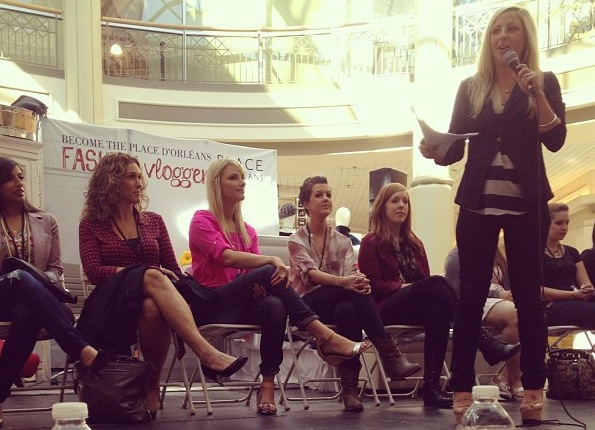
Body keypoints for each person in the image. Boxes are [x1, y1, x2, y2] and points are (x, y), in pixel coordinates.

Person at [419, 5, 566, 425]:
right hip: (477, 204)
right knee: (469, 298)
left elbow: (556, 139)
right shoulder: (471, 87)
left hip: (527, 205)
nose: (502, 36)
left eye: (511, 29)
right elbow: (454, 148)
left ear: (525, 37)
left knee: (529, 298)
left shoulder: (544, 82)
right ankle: (462, 388)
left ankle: (533, 388)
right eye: (496, 30)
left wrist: (535, 92)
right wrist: (435, 150)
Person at [188, 159, 370, 416]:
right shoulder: (202, 220)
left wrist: (262, 286)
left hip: (241, 306)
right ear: (216, 183)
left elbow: (250, 276)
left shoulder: (248, 231)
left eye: (242, 177)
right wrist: (271, 261)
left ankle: (267, 386)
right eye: (233, 177)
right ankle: (324, 336)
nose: (242, 182)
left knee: (275, 304)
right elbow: (225, 257)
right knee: (270, 269)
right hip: (210, 303)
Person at [77, 153, 247, 418]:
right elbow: (94, 272)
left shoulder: (153, 221)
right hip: (111, 302)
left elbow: (174, 270)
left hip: (150, 300)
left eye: (139, 176)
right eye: (131, 177)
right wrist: (139, 273)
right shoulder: (91, 225)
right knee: (152, 275)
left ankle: (151, 387)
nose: (139, 183)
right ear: (111, 182)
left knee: (153, 307)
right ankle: (205, 352)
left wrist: (155, 276)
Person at [288, 176, 422, 412]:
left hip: (340, 303)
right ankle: (390, 356)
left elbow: (352, 274)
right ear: (306, 204)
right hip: (308, 308)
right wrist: (346, 282)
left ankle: (349, 389)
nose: (326, 199)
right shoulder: (296, 240)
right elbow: (311, 276)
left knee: (347, 308)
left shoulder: (343, 241)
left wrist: (357, 283)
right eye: (319, 195)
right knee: (350, 291)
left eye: (328, 194)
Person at [0, 157, 108, 427]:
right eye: (11, 178)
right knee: (20, 276)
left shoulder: (46, 221)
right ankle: (79, 347)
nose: (19, 183)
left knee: (27, 314)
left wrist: (43, 282)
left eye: (21, 176)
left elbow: (55, 268)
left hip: (32, 300)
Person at [445, 246, 523, 401]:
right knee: (514, 314)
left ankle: (504, 377)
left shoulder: (497, 254)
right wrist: (497, 294)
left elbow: (508, 285)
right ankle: (516, 379)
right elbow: (456, 291)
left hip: (503, 299)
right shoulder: (456, 256)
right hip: (477, 301)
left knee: (527, 314)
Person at [541, 203, 595, 326]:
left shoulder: (572, 252)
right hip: (548, 306)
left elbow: (586, 284)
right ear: (545, 223)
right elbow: (535, 291)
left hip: (573, 302)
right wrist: (573, 294)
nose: (564, 227)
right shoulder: (533, 252)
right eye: (559, 223)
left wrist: (587, 290)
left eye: (567, 223)